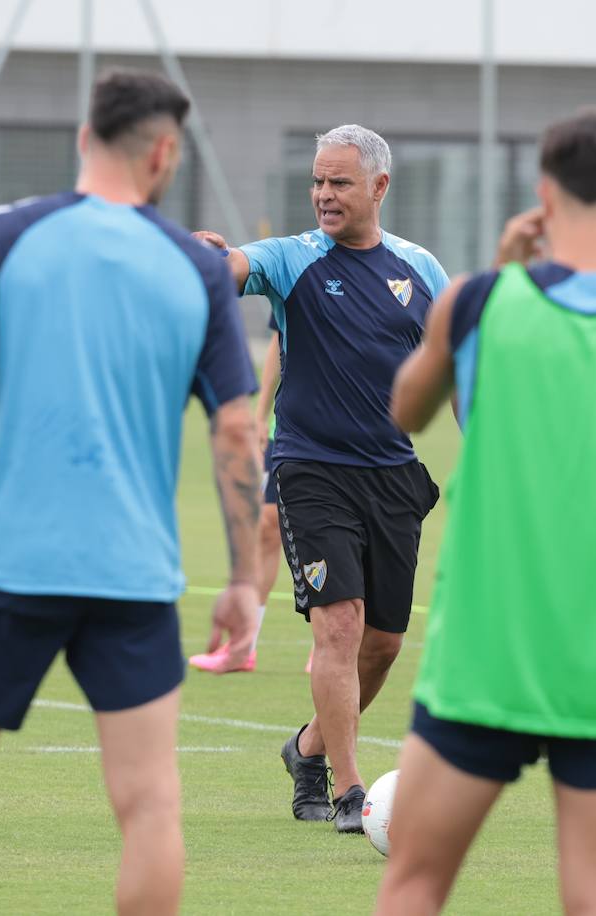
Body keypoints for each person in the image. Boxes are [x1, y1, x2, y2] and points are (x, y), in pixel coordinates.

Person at [0, 69, 261, 916]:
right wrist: (243, 578)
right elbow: (237, 429)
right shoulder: (195, 267)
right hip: (132, 577)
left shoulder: (5, 235)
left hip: (11, 564)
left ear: (85, 138)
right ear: (165, 153)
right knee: (150, 803)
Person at [374, 108, 596, 915]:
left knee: (415, 884)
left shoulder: (475, 304)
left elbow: (405, 411)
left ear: (543, 193)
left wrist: (491, 280)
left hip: (482, 662)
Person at [194, 124, 450, 832]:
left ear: (379, 187)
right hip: (312, 470)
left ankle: (306, 748)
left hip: (394, 476)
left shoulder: (422, 271)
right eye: (317, 181)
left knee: (385, 643)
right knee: (339, 627)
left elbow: (460, 372)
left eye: (339, 182)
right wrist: (210, 262)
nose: (324, 195)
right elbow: (237, 267)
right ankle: (349, 790)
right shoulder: (293, 259)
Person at [189, 321, 285, 674]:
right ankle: (247, 644)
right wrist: (261, 413)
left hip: (354, 434)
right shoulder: (293, 268)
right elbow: (280, 337)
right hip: (290, 428)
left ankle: (340, 641)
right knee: (267, 526)